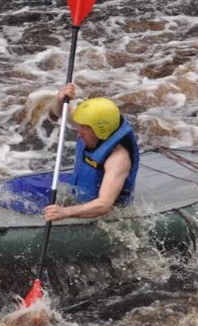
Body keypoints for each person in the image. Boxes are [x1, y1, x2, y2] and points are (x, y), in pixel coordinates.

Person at [43, 83, 140, 222]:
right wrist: (60, 98)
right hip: (77, 194)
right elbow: (61, 113)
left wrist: (64, 212)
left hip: (103, 215)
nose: (79, 132)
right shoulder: (93, 129)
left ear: (100, 130)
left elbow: (104, 205)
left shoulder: (118, 158)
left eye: (85, 128)